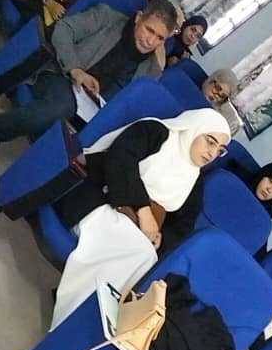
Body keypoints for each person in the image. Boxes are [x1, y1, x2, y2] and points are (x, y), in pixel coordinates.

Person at [50, 108, 231, 328]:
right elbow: (119, 159)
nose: (212, 153)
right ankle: (69, 319)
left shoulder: (195, 181)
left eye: (220, 150)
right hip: (102, 198)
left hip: (139, 234)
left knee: (145, 257)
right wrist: (144, 210)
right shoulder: (156, 132)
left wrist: (160, 238)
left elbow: (182, 226)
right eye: (210, 141)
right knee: (133, 250)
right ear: (195, 128)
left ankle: (82, 316)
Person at [0, 0, 178, 179]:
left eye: (160, 38)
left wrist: (159, 67)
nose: (150, 41)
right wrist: (76, 69)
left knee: (103, 153)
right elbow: (64, 29)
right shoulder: (107, 17)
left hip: (94, 111)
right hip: (64, 77)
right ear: (139, 17)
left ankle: (26, 193)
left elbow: (137, 105)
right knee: (59, 108)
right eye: (149, 30)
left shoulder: (150, 68)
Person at [201, 67, 240, 136]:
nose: (216, 95)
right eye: (218, 88)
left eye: (222, 96)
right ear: (211, 80)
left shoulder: (214, 114)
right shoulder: (187, 87)